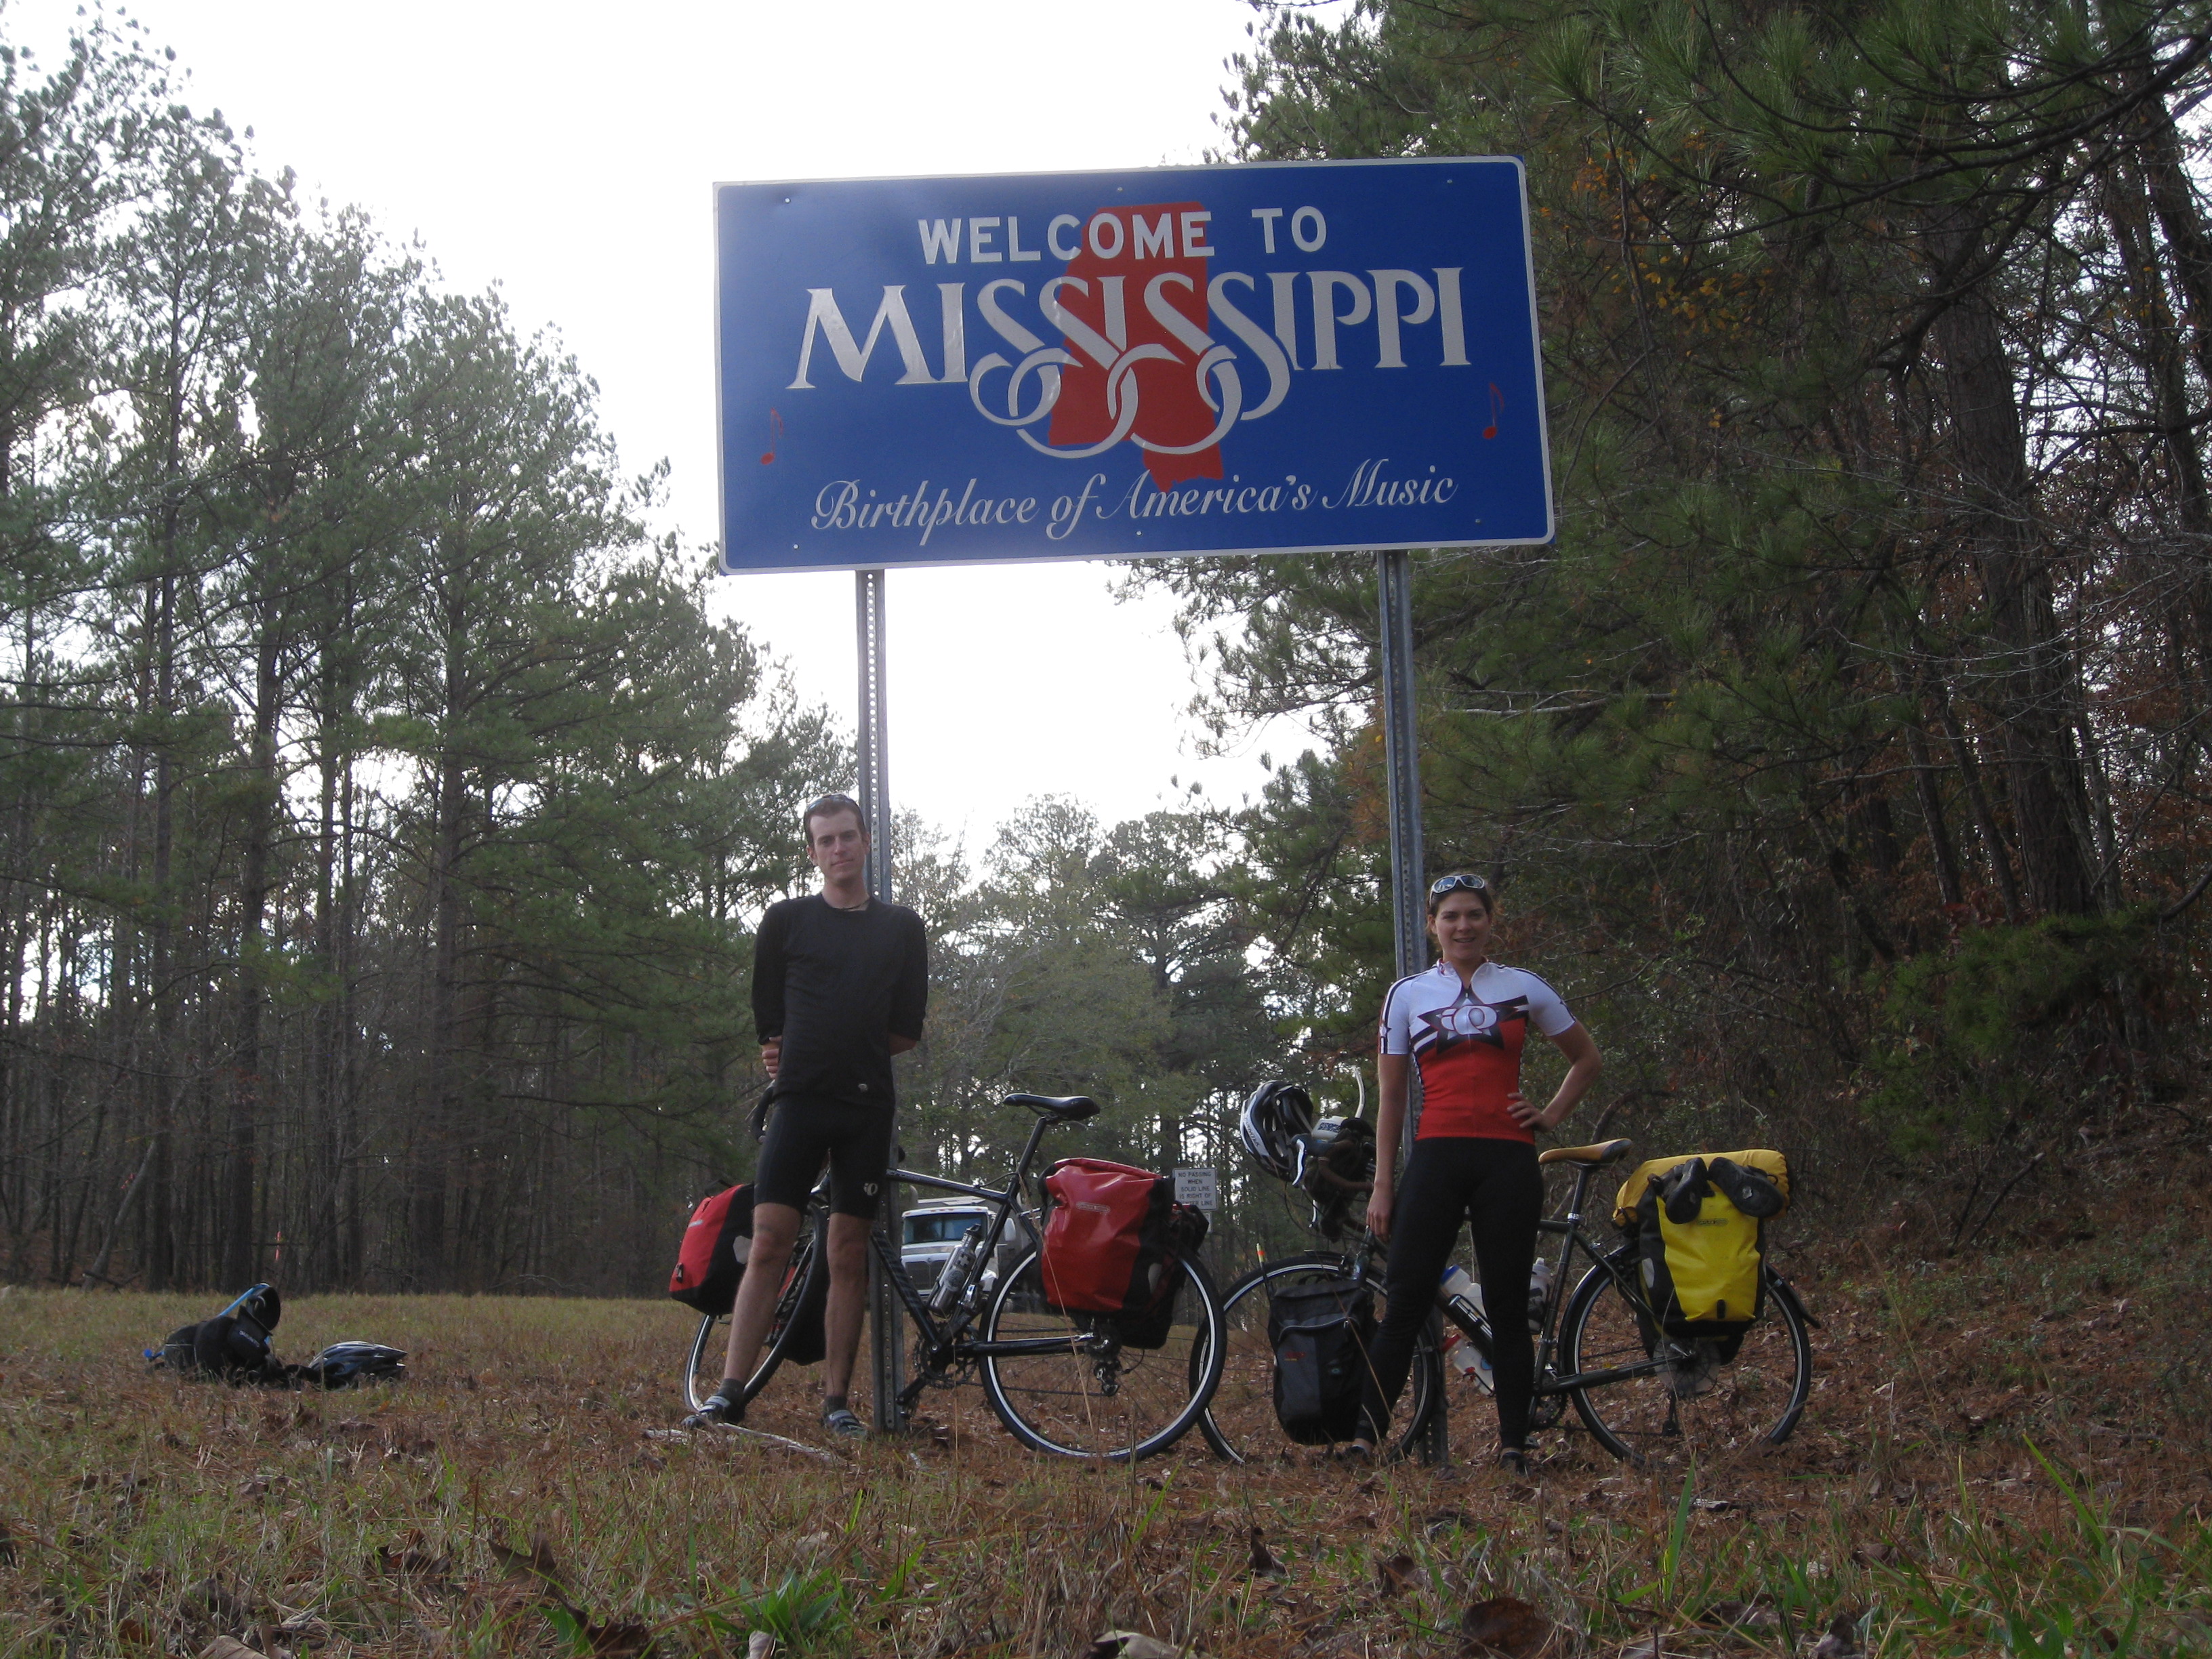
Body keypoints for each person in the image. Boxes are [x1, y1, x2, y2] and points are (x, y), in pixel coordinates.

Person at [686, 793, 928, 1437]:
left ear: (867, 841)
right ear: (813, 852)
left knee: (847, 1253)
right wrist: (786, 1052)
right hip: (798, 1104)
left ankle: (837, 1402)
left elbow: (907, 1028)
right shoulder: (786, 920)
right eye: (826, 840)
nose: (839, 849)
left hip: (866, 1108)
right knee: (768, 1240)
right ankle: (729, 1393)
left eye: (848, 836)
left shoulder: (902, 927)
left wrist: (846, 1049)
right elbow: (769, 1019)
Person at [1350, 872, 1601, 1475]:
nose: (1463, 926)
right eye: (1451, 917)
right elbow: (1392, 1098)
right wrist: (1384, 1185)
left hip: (1507, 1160)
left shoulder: (1522, 986)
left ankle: (1513, 1447)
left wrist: (1549, 1115)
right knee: (1405, 1301)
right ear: (1433, 926)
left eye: (1474, 915)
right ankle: (1364, 1441)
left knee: (1508, 1309)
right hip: (1436, 1158)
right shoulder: (1407, 994)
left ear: (1490, 921)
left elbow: (1587, 1059)